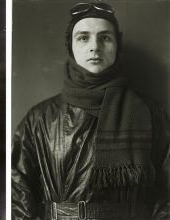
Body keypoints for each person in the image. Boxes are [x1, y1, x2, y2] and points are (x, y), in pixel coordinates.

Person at [12, 2, 170, 219]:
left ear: (117, 44)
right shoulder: (39, 118)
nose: (95, 46)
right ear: (70, 46)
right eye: (83, 37)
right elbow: (17, 196)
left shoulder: (151, 114)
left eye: (105, 37)